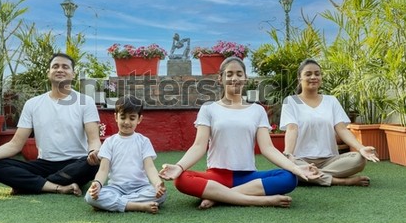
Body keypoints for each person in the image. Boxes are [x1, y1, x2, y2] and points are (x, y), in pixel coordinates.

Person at [159, 56, 320, 209]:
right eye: (229, 74)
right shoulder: (209, 108)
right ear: (220, 79)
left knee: (289, 178)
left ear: (245, 78)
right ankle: (258, 201)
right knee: (181, 179)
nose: (234, 78)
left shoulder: (257, 110)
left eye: (238, 74)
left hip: (248, 178)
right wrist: (179, 167)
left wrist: (296, 169)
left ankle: (218, 197)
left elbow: (268, 149)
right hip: (217, 176)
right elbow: (199, 146)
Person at [0, 53, 102, 196]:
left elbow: (93, 139)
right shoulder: (33, 104)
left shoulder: (85, 101)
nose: (60, 70)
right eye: (55, 66)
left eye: (65, 67)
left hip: (76, 163)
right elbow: (15, 144)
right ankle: (57, 187)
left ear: (73, 74)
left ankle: (30, 185)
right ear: (48, 73)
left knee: (92, 166)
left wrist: (93, 153)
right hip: (44, 164)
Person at [280, 58, 379, 187]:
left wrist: (361, 148)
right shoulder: (292, 101)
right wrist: (288, 155)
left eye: (317, 73)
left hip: (330, 160)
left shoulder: (330, 101)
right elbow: (292, 129)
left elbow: (342, 129)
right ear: (299, 78)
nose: (313, 77)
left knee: (358, 159)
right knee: (289, 164)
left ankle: (305, 175)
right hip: (302, 160)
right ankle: (340, 181)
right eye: (308, 74)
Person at [85, 95, 167, 214]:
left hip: (140, 187)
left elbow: (150, 167)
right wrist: (97, 185)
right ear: (116, 117)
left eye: (132, 118)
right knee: (90, 196)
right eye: (123, 117)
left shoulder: (144, 141)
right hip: (116, 188)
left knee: (161, 195)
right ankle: (137, 206)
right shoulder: (109, 142)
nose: (127, 122)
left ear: (139, 119)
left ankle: (112, 204)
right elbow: (103, 170)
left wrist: (157, 184)